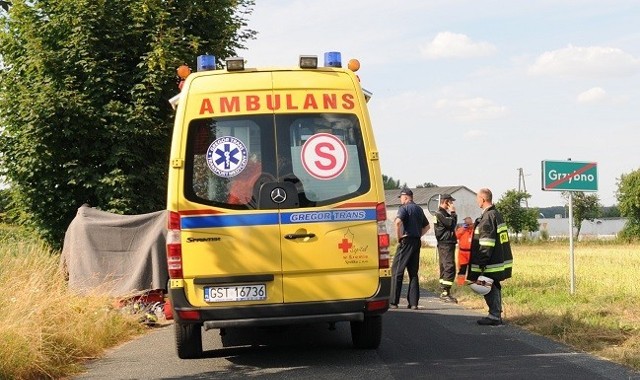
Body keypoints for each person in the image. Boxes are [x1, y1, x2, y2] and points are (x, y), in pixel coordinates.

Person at [468, 188, 513, 326]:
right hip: (499, 260)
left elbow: (487, 243)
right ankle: (496, 314)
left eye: (477, 198)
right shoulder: (496, 214)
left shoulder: (487, 217)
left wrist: (481, 262)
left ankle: (494, 316)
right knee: (494, 285)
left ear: (482, 199)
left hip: (490, 262)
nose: (477, 201)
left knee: (487, 285)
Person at [390, 187, 430, 310]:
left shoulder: (404, 208)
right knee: (413, 273)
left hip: (406, 242)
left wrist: (399, 237)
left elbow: (397, 222)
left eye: (401, 197)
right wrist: (418, 234)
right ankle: (413, 303)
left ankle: (393, 302)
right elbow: (427, 227)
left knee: (397, 271)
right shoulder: (419, 209)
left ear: (406, 197)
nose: (400, 200)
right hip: (416, 241)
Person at [434, 193, 458, 303]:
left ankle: (444, 291)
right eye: (450, 201)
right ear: (446, 202)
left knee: (445, 266)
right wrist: (453, 212)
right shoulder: (440, 214)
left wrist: (452, 215)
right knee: (449, 267)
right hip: (445, 243)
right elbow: (451, 224)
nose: (452, 204)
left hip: (447, 243)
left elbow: (452, 224)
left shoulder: (443, 213)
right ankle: (445, 292)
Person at [455, 216, 474, 285]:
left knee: (472, 269)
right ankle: (460, 283)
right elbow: (456, 236)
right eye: (467, 224)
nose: (469, 226)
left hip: (472, 253)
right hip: (462, 253)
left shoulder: (474, 231)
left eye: (470, 224)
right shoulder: (461, 230)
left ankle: (471, 283)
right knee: (462, 269)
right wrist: (463, 229)